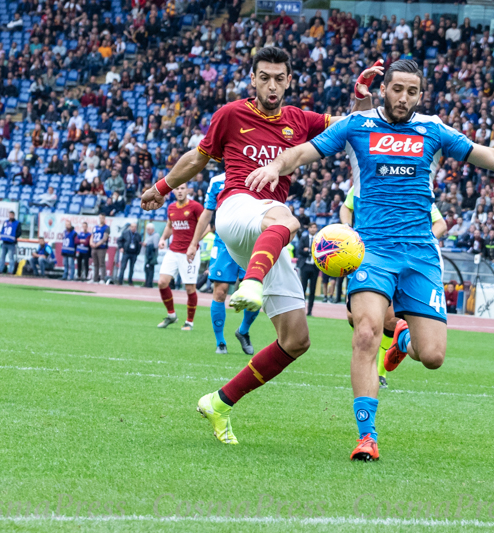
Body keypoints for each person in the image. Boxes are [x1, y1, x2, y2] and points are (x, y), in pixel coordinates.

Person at [250, 59, 494, 460]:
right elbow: (303, 152)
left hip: (421, 254)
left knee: (432, 357)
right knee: (365, 332)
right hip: (370, 250)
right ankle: (366, 435)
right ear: (385, 89)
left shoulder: (433, 130)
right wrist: (275, 164)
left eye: (412, 91)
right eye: (397, 89)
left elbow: (493, 158)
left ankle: (404, 339)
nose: (404, 98)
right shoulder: (357, 126)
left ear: (420, 94)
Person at [140, 47, 380, 446]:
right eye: (264, 77)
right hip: (236, 209)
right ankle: (250, 285)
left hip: (266, 233)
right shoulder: (231, 114)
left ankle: (218, 402)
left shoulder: (302, 120)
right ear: (253, 80)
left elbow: (360, 125)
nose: (272, 84)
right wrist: (160, 188)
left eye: (279, 77)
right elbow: (197, 158)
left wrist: (364, 100)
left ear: (289, 81)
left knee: (296, 339)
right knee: (286, 217)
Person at [340, 184, 447, 390]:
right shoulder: (364, 182)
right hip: (369, 254)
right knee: (354, 317)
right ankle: (401, 341)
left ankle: (380, 372)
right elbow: (346, 207)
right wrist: (348, 228)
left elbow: (440, 223)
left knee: (388, 320)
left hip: (410, 259)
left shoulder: (411, 187)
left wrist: (422, 241)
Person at [187, 173, 259, 354]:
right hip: (223, 244)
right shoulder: (217, 181)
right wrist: (194, 243)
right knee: (220, 292)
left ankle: (243, 331)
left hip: (250, 242)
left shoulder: (257, 175)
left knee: (254, 292)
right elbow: (206, 214)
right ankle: (220, 342)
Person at [156, 183, 203, 331]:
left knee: (190, 288)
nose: (180, 191)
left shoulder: (195, 207)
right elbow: (170, 226)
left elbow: (207, 226)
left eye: (182, 188)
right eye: (177, 189)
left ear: (188, 190)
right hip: (173, 251)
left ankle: (189, 322)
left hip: (189, 253)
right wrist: (163, 238)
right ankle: (171, 315)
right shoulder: (171, 207)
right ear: (174, 192)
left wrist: (193, 244)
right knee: (162, 282)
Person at [296, 222, 319, 316]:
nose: (313, 229)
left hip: (314, 267)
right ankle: (301, 310)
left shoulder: (319, 240)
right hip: (305, 265)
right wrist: (309, 252)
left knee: (313, 290)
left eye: (315, 227)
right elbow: (300, 251)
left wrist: (308, 250)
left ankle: (310, 311)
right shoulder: (304, 238)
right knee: (303, 289)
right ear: (308, 228)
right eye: (311, 227)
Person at [0, 210, 21, 274]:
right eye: (10, 215)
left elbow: (19, 232)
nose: (10, 216)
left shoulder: (17, 223)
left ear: (14, 215)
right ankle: (0, 270)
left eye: (12, 215)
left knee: (11, 258)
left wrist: (14, 237)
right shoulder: (5, 222)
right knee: (2, 257)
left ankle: (10, 271)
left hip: (11, 243)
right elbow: (2, 230)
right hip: (4, 242)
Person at [90, 214, 110, 284]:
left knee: (101, 263)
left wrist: (97, 244)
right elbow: (92, 236)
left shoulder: (106, 227)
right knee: (95, 264)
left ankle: (102, 278)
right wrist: (91, 243)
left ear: (104, 219)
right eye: (100, 218)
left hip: (101, 247)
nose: (101, 219)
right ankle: (94, 278)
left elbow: (105, 238)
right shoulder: (95, 227)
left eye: (102, 218)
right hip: (94, 246)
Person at [143, 223, 159, 288]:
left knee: (150, 269)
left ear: (152, 229)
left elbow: (155, 246)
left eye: (148, 229)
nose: (147, 231)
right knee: (146, 269)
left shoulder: (156, 235)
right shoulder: (148, 236)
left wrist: (147, 244)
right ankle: (147, 282)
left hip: (152, 256)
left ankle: (149, 283)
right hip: (147, 255)